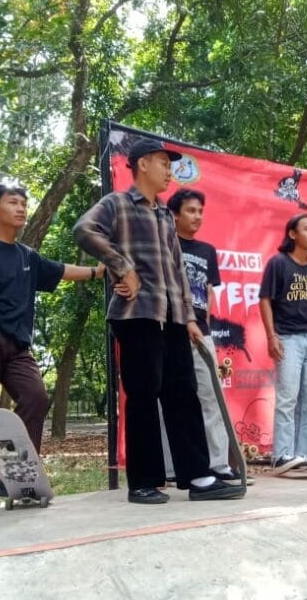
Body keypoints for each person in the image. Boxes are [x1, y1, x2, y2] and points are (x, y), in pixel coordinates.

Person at [73, 138, 241, 503]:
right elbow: (84, 230)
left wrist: (190, 318)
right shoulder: (117, 203)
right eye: (164, 163)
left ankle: (198, 477)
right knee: (143, 397)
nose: (170, 171)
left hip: (174, 319)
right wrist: (123, 267)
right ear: (143, 164)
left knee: (184, 394)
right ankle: (143, 482)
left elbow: (178, 271)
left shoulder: (166, 214)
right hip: (136, 315)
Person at [0, 184, 106, 510]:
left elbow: (60, 271)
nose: (20, 208)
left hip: (17, 345)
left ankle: (17, 476)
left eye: (23, 204)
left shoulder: (26, 255)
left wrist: (97, 272)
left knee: (35, 397)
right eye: (12, 202)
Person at [160, 188, 244, 482]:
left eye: (200, 211)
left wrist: (205, 326)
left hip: (200, 332)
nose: (197, 217)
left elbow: (208, 292)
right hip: (169, 330)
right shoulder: (165, 245)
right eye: (190, 211)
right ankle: (172, 469)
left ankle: (219, 464)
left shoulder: (207, 250)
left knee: (211, 397)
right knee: (171, 400)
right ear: (174, 215)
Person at [259, 213, 307, 469]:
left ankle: (305, 454)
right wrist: (271, 335)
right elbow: (265, 300)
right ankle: (282, 455)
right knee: (288, 398)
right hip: (288, 338)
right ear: (292, 234)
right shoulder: (278, 263)